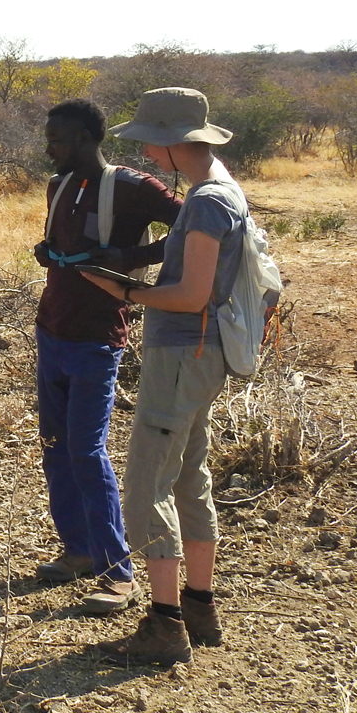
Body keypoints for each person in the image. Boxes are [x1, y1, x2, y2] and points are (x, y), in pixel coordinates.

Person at [79, 87, 246, 665]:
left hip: (183, 354)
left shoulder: (204, 203)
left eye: (153, 142)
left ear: (178, 143)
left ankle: (166, 623)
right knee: (188, 476)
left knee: (148, 482)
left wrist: (123, 290)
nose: (148, 153)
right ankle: (199, 606)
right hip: (204, 355)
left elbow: (190, 294)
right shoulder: (221, 190)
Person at [32, 100, 181, 615]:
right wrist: (49, 252)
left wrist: (132, 258)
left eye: (56, 138)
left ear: (83, 139)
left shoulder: (135, 188)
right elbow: (64, 245)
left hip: (98, 339)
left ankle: (118, 573)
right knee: (55, 445)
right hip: (52, 330)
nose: (47, 147)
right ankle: (76, 551)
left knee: (86, 451)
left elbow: (193, 227)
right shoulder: (60, 186)